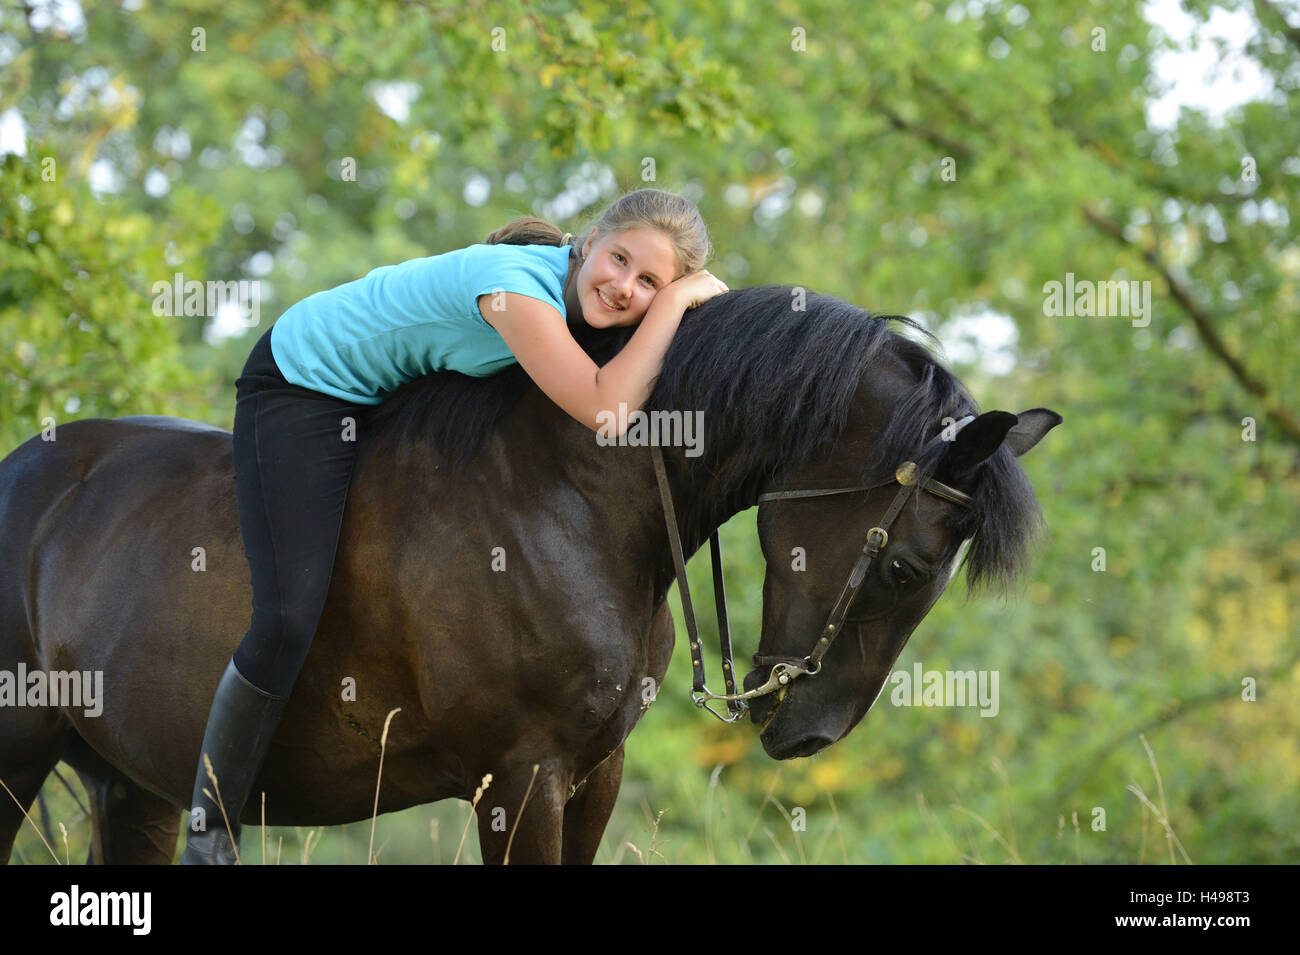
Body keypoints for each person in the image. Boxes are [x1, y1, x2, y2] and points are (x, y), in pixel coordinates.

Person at [181, 188, 727, 863]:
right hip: (306, 382)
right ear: (588, 242)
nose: (624, 287)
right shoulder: (512, 289)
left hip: (391, 394)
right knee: (288, 614)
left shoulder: (581, 297)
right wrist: (675, 302)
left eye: (649, 282)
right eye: (619, 259)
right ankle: (207, 831)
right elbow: (606, 411)